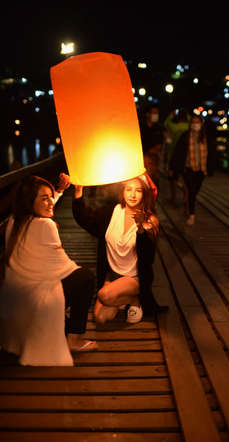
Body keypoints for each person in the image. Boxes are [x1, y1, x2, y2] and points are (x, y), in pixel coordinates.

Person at [0, 175, 98, 366]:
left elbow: (40, 208)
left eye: (50, 197)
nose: (51, 202)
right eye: (45, 198)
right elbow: (65, 268)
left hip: (14, 309)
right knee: (84, 277)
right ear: (30, 201)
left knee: (55, 312)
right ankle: (74, 340)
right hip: (35, 304)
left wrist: (59, 191)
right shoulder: (45, 225)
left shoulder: (14, 221)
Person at [71, 173, 163, 325]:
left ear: (144, 194)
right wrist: (78, 192)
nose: (132, 195)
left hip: (134, 278)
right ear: (123, 191)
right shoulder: (112, 212)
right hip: (112, 276)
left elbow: (148, 256)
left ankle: (137, 297)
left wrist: (140, 228)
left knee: (104, 295)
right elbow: (87, 220)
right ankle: (127, 299)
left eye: (138, 190)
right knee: (100, 318)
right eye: (128, 189)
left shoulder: (150, 219)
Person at [169, 114, 208, 226]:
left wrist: (210, 168)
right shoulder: (186, 136)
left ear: (201, 124)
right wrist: (172, 167)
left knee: (195, 191)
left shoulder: (205, 136)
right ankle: (192, 215)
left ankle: (189, 206)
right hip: (188, 168)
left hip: (201, 170)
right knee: (191, 190)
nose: (195, 124)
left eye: (198, 122)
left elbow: (212, 152)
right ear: (190, 124)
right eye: (193, 122)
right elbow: (178, 152)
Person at [164, 109, 191, 203]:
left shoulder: (174, 127)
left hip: (174, 155)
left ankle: (173, 197)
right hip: (186, 156)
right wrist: (187, 114)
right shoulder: (188, 127)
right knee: (185, 179)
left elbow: (166, 123)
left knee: (173, 178)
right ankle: (185, 198)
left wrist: (172, 114)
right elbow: (191, 119)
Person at [139, 105, 166, 187]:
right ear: (147, 114)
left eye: (157, 113)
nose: (156, 115)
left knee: (153, 182)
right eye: (154, 113)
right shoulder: (141, 127)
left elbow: (159, 145)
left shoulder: (159, 128)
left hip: (154, 160)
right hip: (141, 159)